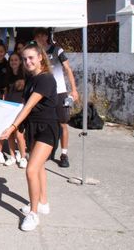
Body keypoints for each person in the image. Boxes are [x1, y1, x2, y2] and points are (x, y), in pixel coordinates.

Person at [0, 41, 58, 231]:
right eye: (25, 59)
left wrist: (12, 127)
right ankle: (42, 203)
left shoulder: (46, 79)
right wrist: (16, 124)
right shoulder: (31, 79)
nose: (27, 62)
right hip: (33, 127)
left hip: (47, 128)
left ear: (41, 57)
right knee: (38, 167)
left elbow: (29, 105)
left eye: (31, 58)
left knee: (31, 170)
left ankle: (33, 214)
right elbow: (23, 105)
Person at [33, 28, 79, 168]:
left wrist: (74, 90)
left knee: (63, 123)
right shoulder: (35, 53)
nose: (40, 38)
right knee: (44, 122)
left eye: (42, 35)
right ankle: (44, 151)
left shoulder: (57, 50)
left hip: (59, 92)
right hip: (43, 92)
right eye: (37, 36)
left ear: (47, 37)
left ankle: (64, 154)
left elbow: (68, 69)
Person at [4, 52, 28, 168]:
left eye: (16, 60)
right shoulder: (8, 75)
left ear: (20, 61)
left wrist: (24, 106)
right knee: (10, 135)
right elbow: (6, 91)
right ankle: (12, 156)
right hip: (9, 107)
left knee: (19, 134)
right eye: (11, 60)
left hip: (20, 108)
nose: (13, 62)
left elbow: (28, 93)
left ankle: (23, 157)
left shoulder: (25, 75)